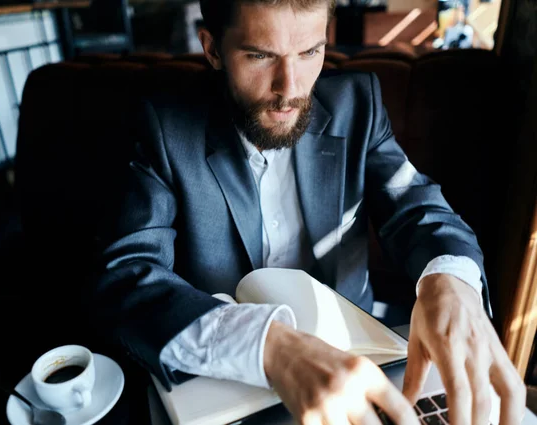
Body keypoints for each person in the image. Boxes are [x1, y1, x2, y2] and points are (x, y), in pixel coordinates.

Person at [90, 0, 526, 423]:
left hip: (364, 360)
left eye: (310, 51)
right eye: (260, 55)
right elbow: (128, 277)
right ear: (212, 48)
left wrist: (451, 281)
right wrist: (272, 347)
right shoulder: (164, 128)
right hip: (224, 382)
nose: (291, 88)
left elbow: (417, 209)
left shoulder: (360, 104)